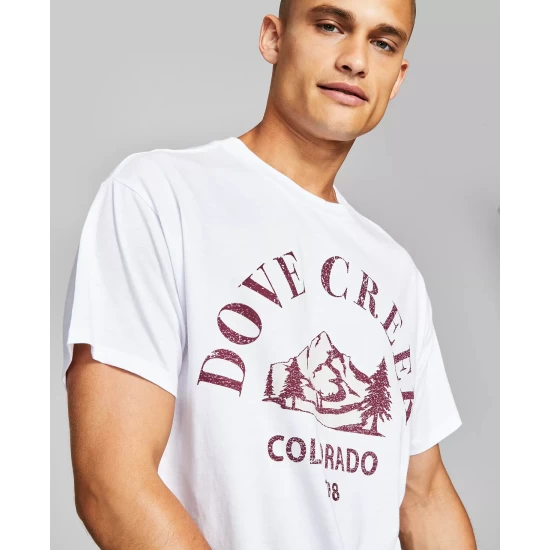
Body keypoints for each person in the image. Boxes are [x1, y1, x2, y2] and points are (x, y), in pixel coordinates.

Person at [63, 0, 477, 548]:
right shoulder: (159, 196)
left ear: (397, 78)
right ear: (273, 39)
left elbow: (424, 496)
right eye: (330, 26)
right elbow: (113, 483)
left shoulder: (396, 269)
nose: (355, 60)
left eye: (382, 42)